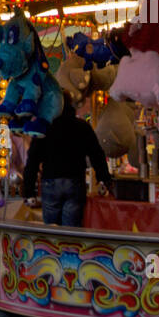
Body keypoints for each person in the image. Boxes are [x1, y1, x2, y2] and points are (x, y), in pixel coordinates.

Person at [23, 96, 113, 226]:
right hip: (74, 179)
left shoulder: (44, 127)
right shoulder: (82, 127)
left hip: (51, 179)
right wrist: (104, 177)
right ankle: (69, 245)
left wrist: (29, 190)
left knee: (51, 229)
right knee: (71, 228)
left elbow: (33, 160)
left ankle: (53, 244)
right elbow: (96, 154)